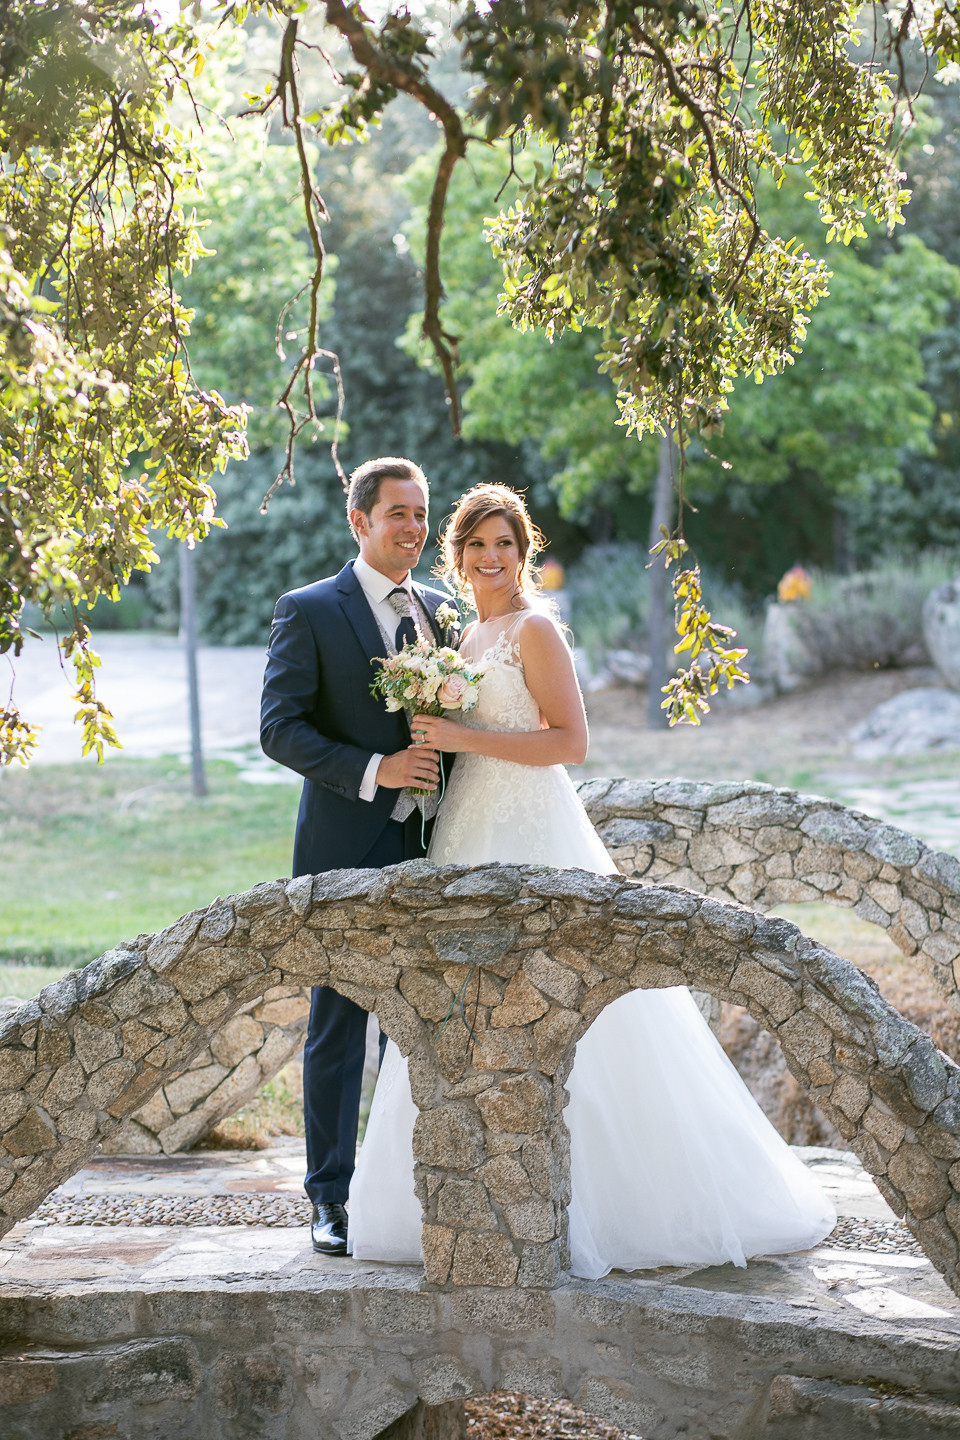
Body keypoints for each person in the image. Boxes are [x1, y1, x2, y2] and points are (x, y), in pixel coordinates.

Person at [347, 483, 835, 1277]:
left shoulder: (536, 630)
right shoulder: (464, 638)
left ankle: (616, 1205)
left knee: (570, 999)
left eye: (505, 544)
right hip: (468, 830)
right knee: (465, 1006)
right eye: (477, 546)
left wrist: (463, 732)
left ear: (522, 550)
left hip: (534, 831)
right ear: (459, 556)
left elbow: (569, 744)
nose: (491, 558)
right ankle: (465, 1196)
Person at [260, 455, 458, 1256]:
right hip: (343, 847)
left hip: (434, 851)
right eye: (397, 514)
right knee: (339, 1026)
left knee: (424, 1029)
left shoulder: (446, 612)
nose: (412, 528)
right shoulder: (309, 610)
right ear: (360, 522)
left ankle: (417, 1190)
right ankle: (329, 1200)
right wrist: (377, 771)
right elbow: (280, 728)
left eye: (421, 514)